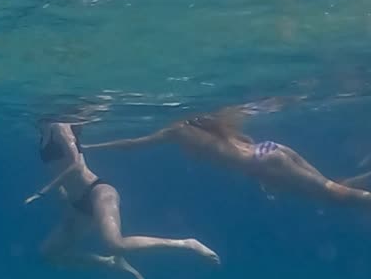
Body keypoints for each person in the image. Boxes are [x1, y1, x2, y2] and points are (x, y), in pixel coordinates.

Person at [81, 101, 371, 210]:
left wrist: (90, 148)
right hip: (270, 149)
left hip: (263, 163)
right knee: (331, 186)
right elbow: (243, 148)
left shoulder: (178, 131)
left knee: (332, 195)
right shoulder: (213, 126)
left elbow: (132, 143)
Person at [27, 120, 220, 279]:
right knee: (49, 254)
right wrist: (66, 203)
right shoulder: (42, 135)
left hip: (97, 192)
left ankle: (187, 244)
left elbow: (77, 166)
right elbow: (56, 170)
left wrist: (43, 191)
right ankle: (109, 262)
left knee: (115, 244)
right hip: (78, 205)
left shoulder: (60, 128)